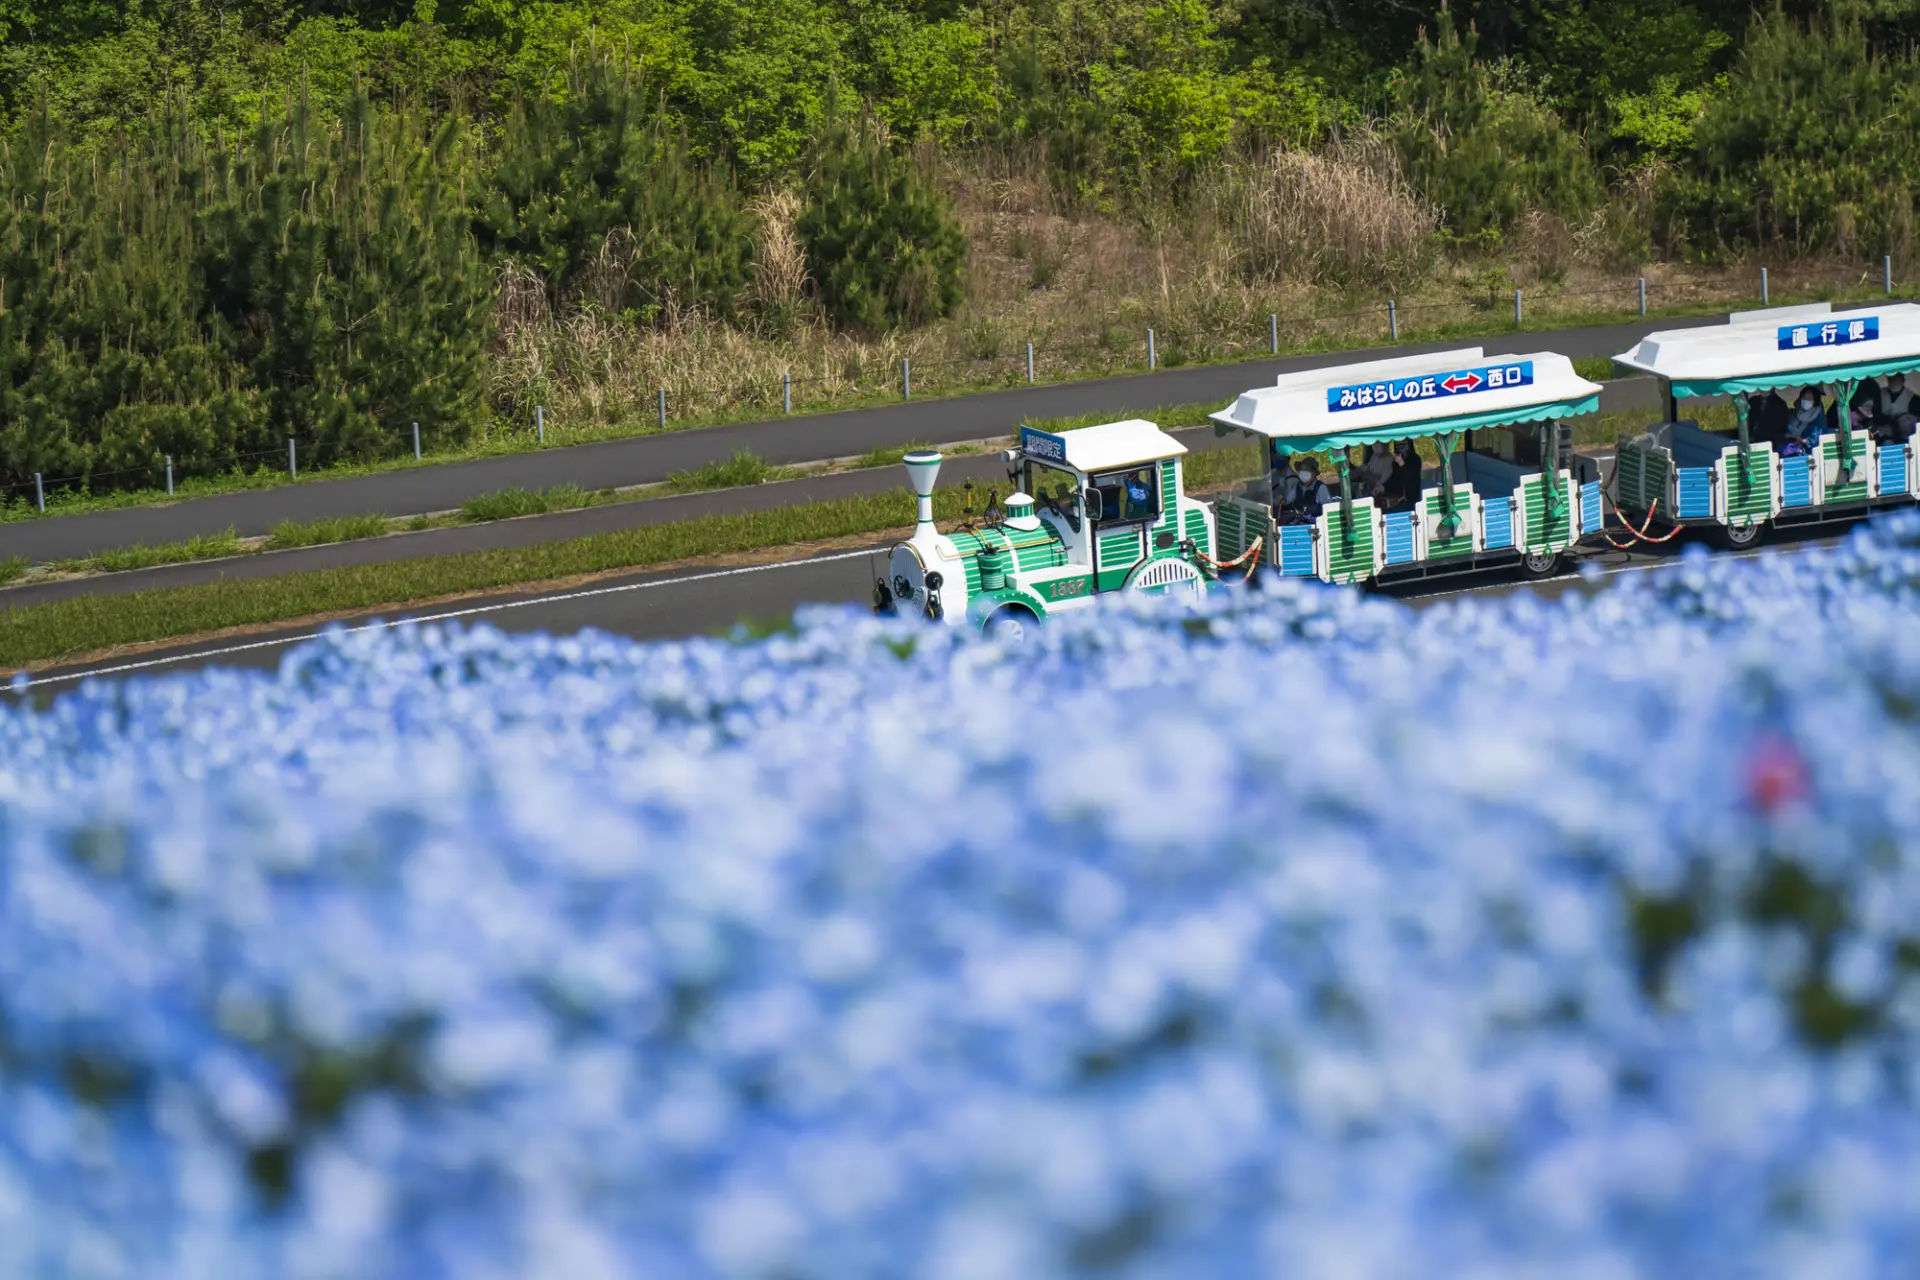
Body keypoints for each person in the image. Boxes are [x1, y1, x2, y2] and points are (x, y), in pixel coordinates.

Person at [1277, 456, 1332, 526]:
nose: (1303, 472)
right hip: (1300, 522)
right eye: (1301, 469)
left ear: (1314, 473)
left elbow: (1328, 508)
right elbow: (1287, 500)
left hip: (1316, 525)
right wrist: (1282, 499)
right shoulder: (1298, 486)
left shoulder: (1320, 488)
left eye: (1307, 469)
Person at [1781, 386, 1826, 456]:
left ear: (1815, 401)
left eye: (1809, 399)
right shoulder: (1796, 413)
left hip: (1812, 453)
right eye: (1804, 398)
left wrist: (1801, 440)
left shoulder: (1818, 418)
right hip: (1792, 447)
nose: (1805, 401)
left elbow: (1816, 440)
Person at [1383, 440, 1423, 512]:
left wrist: (1401, 464)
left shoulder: (1415, 459)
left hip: (1409, 500)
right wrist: (1382, 487)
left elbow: (1411, 479)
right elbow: (1392, 479)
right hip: (1396, 499)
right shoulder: (1395, 463)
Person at [1882, 372, 1919, 442]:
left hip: (1905, 438)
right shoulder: (1879, 394)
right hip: (1883, 436)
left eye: (1896, 379)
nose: (1893, 381)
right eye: (1890, 379)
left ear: (1902, 380)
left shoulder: (1913, 397)